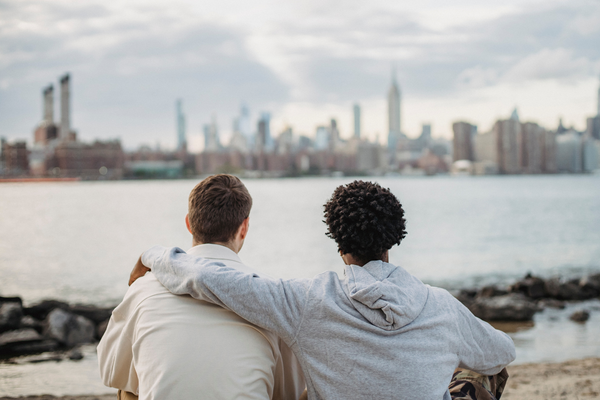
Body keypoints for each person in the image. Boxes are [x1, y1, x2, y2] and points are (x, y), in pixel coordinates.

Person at [132, 180, 516, 400]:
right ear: (394, 239)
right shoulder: (441, 306)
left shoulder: (305, 301)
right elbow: (502, 353)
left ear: (337, 240)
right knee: (484, 373)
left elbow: (209, 279)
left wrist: (154, 256)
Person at [98, 174, 305, 400]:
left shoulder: (144, 288)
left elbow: (110, 370)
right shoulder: (273, 299)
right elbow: (287, 394)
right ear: (244, 228)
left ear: (189, 223)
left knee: (127, 387)